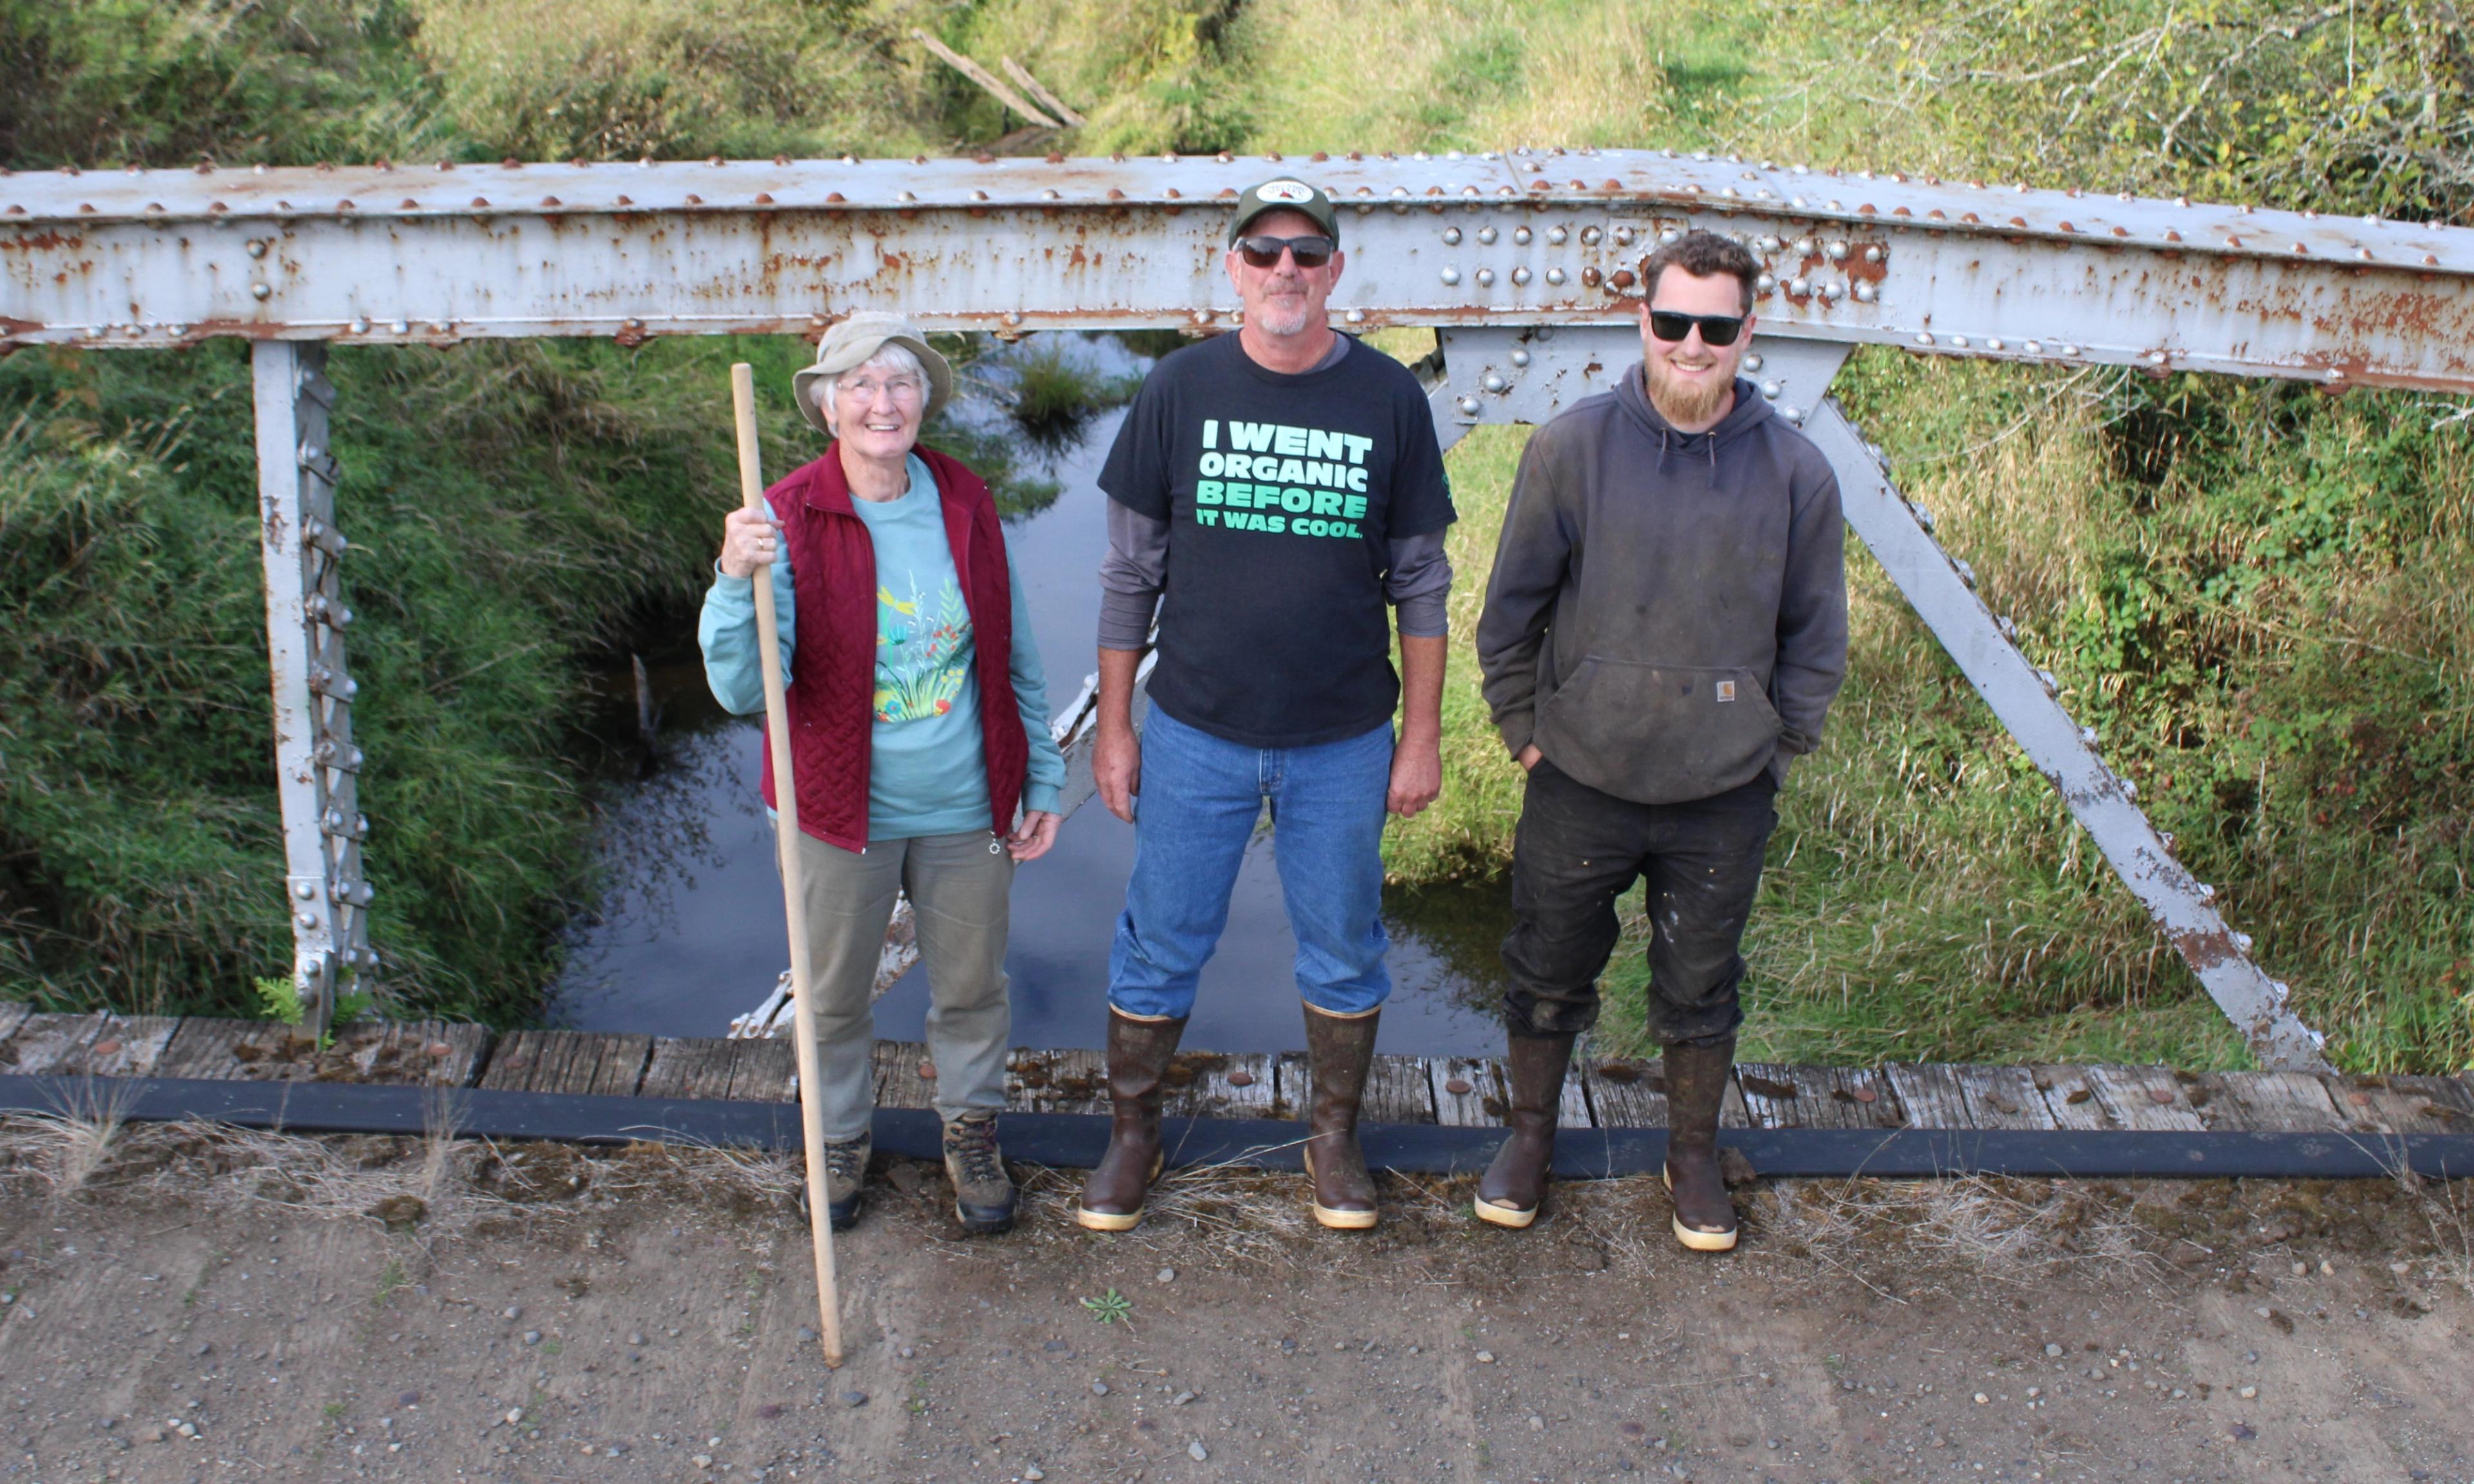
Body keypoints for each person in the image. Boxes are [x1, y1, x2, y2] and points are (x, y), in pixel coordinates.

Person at [1075, 179, 1457, 1233]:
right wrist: (1115, 730)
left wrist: (1419, 737)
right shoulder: (1177, 387)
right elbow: (1128, 575)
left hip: (1343, 739)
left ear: (1336, 270)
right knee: (1160, 941)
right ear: (1232, 270)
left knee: (1344, 943)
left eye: (1306, 252)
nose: (1284, 270)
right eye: (1263, 252)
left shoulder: (1388, 398)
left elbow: (1421, 581)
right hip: (1195, 730)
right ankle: (1133, 1133)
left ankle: (1332, 1139)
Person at [1473, 230, 1848, 1251]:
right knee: (1547, 967)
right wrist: (1525, 735)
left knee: (1700, 984)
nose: (1692, 344)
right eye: (1673, 321)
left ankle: (1690, 1158)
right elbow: (1508, 617)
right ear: (1641, 322)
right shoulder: (1571, 449)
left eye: (1715, 326)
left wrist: (1773, 751)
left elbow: (1816, 640)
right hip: (1579, 781)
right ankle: (1531, 1137)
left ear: (1748, 333)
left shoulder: (1797, 474)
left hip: (1722, 793)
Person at [700, 313, 1066, 1237]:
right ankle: (839, 1137)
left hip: (967, 807)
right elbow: (748, 688)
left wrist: (1044, 779)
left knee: (974, 988)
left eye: (899, 381)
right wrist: (730, 579)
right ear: (829, 409)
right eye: (859, 384)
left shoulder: (963, 497)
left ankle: (971, 1132)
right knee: (830, 999)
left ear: (923, 402)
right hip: (834, 810)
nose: (881, 401)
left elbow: (1014, 649)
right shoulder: (783, 516)